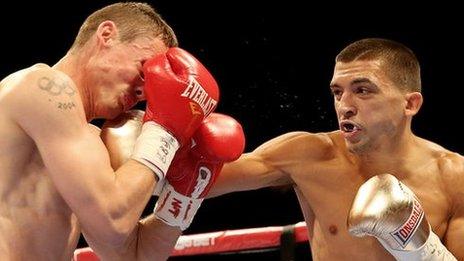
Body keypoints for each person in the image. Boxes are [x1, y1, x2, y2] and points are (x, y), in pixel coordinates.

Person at [0, 2, 240, 260]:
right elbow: (114, 221)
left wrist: (184, 197)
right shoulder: (43, 87)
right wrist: (165, 132)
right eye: (144, 68)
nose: (145, 92)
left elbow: (134, 256)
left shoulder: (88, 142)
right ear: (106, 35)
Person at [206, 38, 464, 260]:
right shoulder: (308, 154)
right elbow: (194, 182)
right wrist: (168, 132)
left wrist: (419, 248)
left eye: (362, 90)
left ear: (410, 104)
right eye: (338, 92)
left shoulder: (455, 177)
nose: (345, 106)